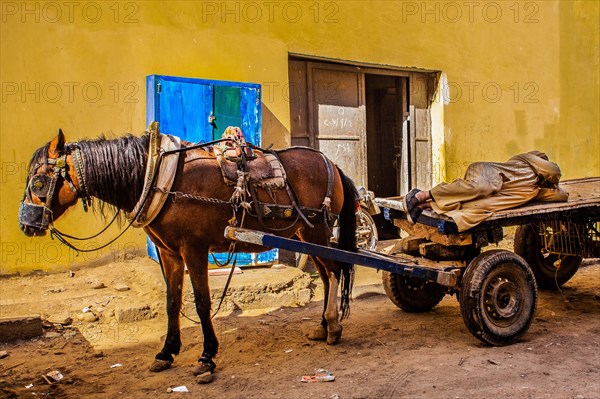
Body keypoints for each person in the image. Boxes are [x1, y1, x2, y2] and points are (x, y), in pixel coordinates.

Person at [403, 150, 568, 232]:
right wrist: (552, 178)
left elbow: (561, 196)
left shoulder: (533, 190)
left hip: (491, 191)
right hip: (487, 174)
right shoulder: (526, 162)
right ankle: (421, 194)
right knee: (482, 187)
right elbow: (554, 171)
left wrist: (550, 187)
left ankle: (423, 206)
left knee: (471, 207)